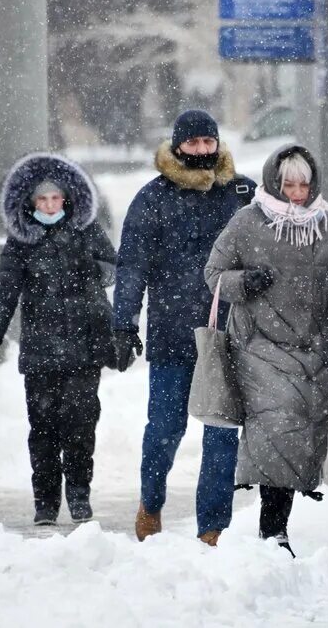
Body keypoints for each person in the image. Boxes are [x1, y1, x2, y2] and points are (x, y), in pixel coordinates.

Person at [110, 110, 256, 546]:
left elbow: (268, 250)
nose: (201, 151)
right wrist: (124, 323)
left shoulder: (240, 193)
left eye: (207, 143)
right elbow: (132, 266)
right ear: (177, 147)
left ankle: (212, 529)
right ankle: (150, 504)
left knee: (222, 436)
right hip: (172, 334)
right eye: (191, 144)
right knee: (165, 429)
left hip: (228, 334)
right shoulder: (152, 198)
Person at [204, 144, 328, 558]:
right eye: (288, 184)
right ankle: (273, 531)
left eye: (304, 184)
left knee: (300, 434)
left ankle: (276, 527)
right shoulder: (247, 222)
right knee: (279, 423)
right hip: (259, 346)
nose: (296, 193)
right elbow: (214, 274)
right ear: (274, 181)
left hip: (316, 348)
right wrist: (244, 283)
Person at [0, 153, 118, 526]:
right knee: (42, 429)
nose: (50, 205)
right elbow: (6, 289)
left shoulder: (86, 231)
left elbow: (112, 268)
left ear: (67, 199)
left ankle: (78, 495)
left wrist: (93, 269)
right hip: (41, 351)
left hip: (83, 348)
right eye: (42, 200)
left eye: (56, 198)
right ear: (30, 202)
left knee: (80, 424)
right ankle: (45, 502)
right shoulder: (21, 242)